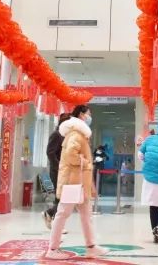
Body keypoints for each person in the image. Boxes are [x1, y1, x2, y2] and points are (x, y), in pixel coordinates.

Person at [45, 105, 109, 260]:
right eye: (88, 114)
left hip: (79, 183)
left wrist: (90, 184)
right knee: (62, 214)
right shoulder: (75, 134)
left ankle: (91, 247)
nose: (90, 117)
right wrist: (86, 163)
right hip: (72, 182)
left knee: (86, 215)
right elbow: (71, 155)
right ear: (81, 115)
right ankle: (52, 249)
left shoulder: (80, 134)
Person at [43, 112, 70, 229]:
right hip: (57, 171)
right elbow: (50, 153)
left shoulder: (65, 136)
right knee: (61, 197)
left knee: (64, 198)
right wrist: (59, 166)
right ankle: (56, 222)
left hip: (65, 171)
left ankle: (50, 214)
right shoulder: (56, 135)